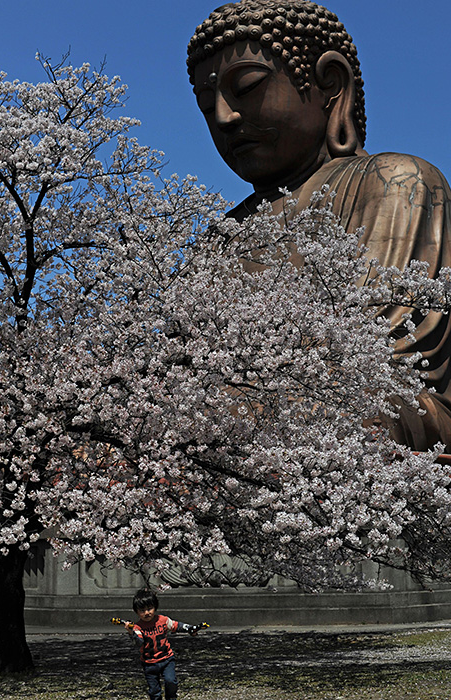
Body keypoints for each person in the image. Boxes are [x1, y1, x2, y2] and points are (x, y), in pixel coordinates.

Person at [187, 0, 451, 453]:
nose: (226, 117)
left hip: (361, 410)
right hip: (225, 420)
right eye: (207, 105)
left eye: (246, 86)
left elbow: (390, 361)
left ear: (332, 84)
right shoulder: (219, 240)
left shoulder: (394, 182)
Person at [125, 588, 204, 700]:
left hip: (167, 658)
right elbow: (139, 643)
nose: (146, 613)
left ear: (155, 607)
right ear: (136, 612)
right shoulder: (138, 627)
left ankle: (171, 698)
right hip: (149, 663)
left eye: (149, 608)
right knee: (154, 691)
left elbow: (176, 625)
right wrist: (131, 632)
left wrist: (191, 629)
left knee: (170, 680)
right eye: (142, 610)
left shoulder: (162, 620)